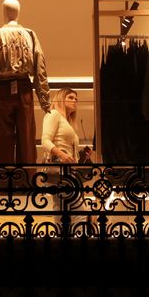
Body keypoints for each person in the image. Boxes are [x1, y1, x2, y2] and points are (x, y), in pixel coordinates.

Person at [0, 0, 50, 164]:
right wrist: (44, 99)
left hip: (0, 90)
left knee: (0, 140)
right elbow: (40, 67)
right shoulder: (30, 35)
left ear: (3, 13)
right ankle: (27, 186)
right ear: (19, 12)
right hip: (24, 89)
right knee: (27, 139)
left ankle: (3, 186)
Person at [41, 88, 93, 233]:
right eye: (71, 97)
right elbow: (45, 141)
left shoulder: (67, 121)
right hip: (60, 169)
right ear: (61, 99)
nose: (75, 100)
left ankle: (61, 240)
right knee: (79, 211)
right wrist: (62, 155)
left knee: (60, 208)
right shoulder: (53, 114)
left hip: (68, 172)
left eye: (76, 98)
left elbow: (69, 149)